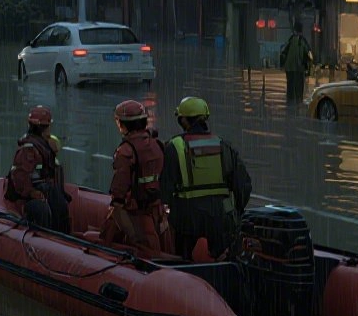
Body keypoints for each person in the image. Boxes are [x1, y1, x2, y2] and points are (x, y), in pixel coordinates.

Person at [161, 96, 254, 262]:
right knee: (225, 261)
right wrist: (235, 213)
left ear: (183, 120)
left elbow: (164, 189)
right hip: (220, 216)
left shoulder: (174, 146)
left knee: (183, 261)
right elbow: (244, 186)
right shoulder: (224, 146)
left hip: (187, 217)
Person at [100, 99, 166, 253]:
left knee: (106, 243)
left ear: (122, 124)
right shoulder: (157, 145)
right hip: (155, 210)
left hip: (134, 213)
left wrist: (118, 206)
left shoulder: (126, 151)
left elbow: (119, 192)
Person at [6, 105, 71, 234]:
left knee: (60, 204)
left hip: (43, 189)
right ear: (43, 128)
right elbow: (20, 176)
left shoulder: (44, 145)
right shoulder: (28, 149)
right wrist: (31, 192)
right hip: (28, 197)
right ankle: (45, 240)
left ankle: (63, 238)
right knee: (42, 209)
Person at [279, 22, 314, 108]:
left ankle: (290, 106)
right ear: (301, 30)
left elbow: (283, 52)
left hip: (290, 69)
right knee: (299, 90)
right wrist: (308, 68)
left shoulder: (290, 40)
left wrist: (282, 65)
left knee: (290, 89)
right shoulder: (303, 41)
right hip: (299, 69)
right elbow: (309, 55)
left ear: (294, 30)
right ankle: (298, 106)